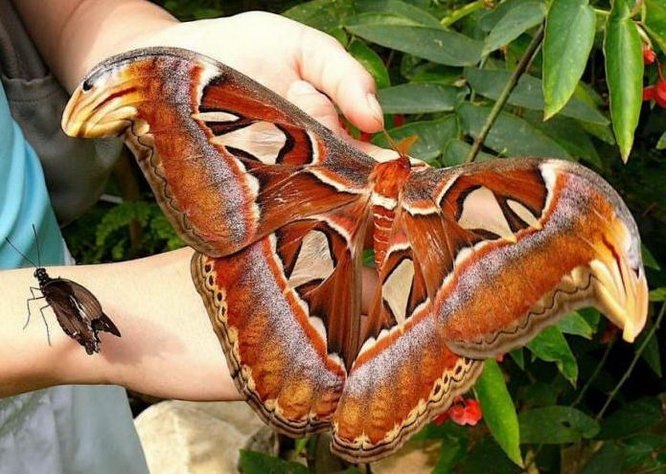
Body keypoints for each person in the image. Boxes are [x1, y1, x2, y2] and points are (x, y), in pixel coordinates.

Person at [0, 0, 386, 471]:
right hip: (71, 341)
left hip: (72, 351)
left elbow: (77, 9)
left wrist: (155, 65)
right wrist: (97, 323)